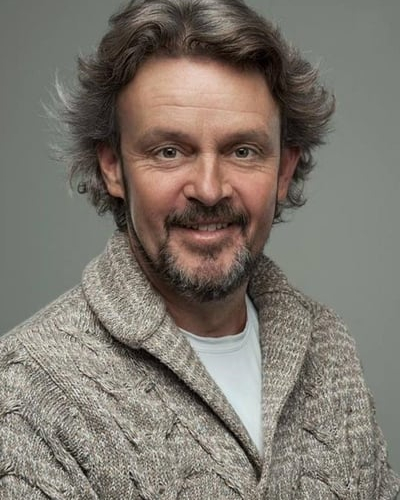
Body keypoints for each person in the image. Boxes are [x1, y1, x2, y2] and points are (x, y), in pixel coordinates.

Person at [1, 0, 399, 498]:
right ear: (112, 167)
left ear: (284, 170)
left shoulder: (329, 346)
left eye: (242, 151)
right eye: (170, 151)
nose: (209, 190)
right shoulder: (27, 391)